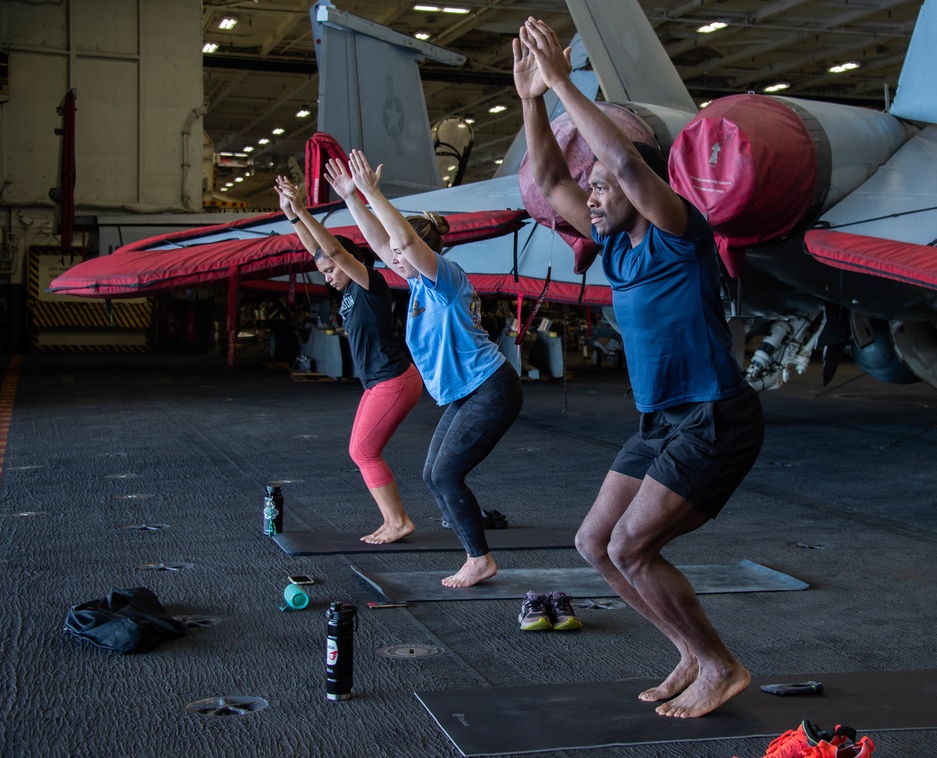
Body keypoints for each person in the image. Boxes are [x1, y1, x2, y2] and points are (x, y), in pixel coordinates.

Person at [514, 18, 765, 718]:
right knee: (593, 543)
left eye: (603, 187)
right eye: (590, 189)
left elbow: (622, 167)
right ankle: (689, 651)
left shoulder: (678, 231)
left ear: (641, 182)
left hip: (716, 417)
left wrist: (564, 80)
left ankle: (720, 664)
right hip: (662, 422)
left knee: (631, 546)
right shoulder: (613, 250)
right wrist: (532, 99)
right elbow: (551, 177)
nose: (592, 195)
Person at [324, 149, 524, 588]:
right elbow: (383, 243)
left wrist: (373, 192)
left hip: (492, 388)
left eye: (402, 251)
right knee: (433, 473)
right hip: (468, 393)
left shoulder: (444, 278)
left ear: (423, 251)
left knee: (447, 473)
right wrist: (351, 197)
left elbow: (405, 243)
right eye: (393, 254)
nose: (393, 258)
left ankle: (479, 558)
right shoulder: (417, 285)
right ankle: (473, 550)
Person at [276, 176, 423, 544]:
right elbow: (322, 251)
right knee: (360, 449)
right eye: (323, 273)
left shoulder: (367, 282)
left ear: (350, 263)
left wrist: (306, 210)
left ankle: (398, 521)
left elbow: (336, 253)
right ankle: (394, 520)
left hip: (394, 379)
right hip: (379, 381)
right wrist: (293, 215)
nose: (327, 278)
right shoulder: (345, 282)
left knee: (363, 450)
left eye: (330, 271)